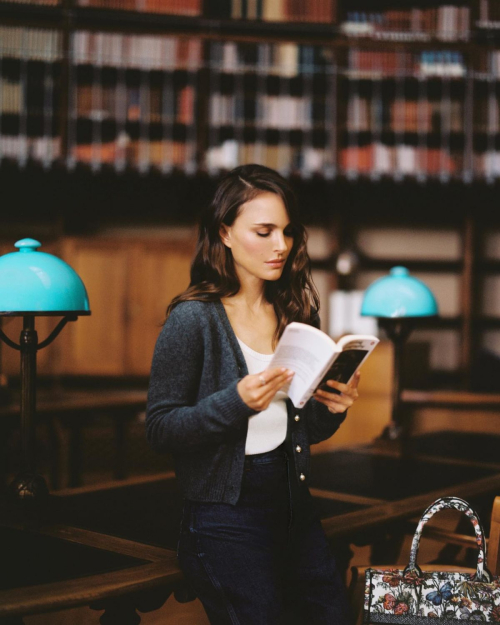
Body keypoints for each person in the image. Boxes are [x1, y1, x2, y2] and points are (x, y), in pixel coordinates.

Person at [146, 164, 360, 625]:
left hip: (294, 502)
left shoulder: (295, 314)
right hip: (225, 515)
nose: (280, 245)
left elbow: (305, 429)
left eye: (286, 231)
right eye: (263, 231)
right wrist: (236, 402)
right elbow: (160, 428)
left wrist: (333, 408)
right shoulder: (193, 319)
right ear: (224, 232)